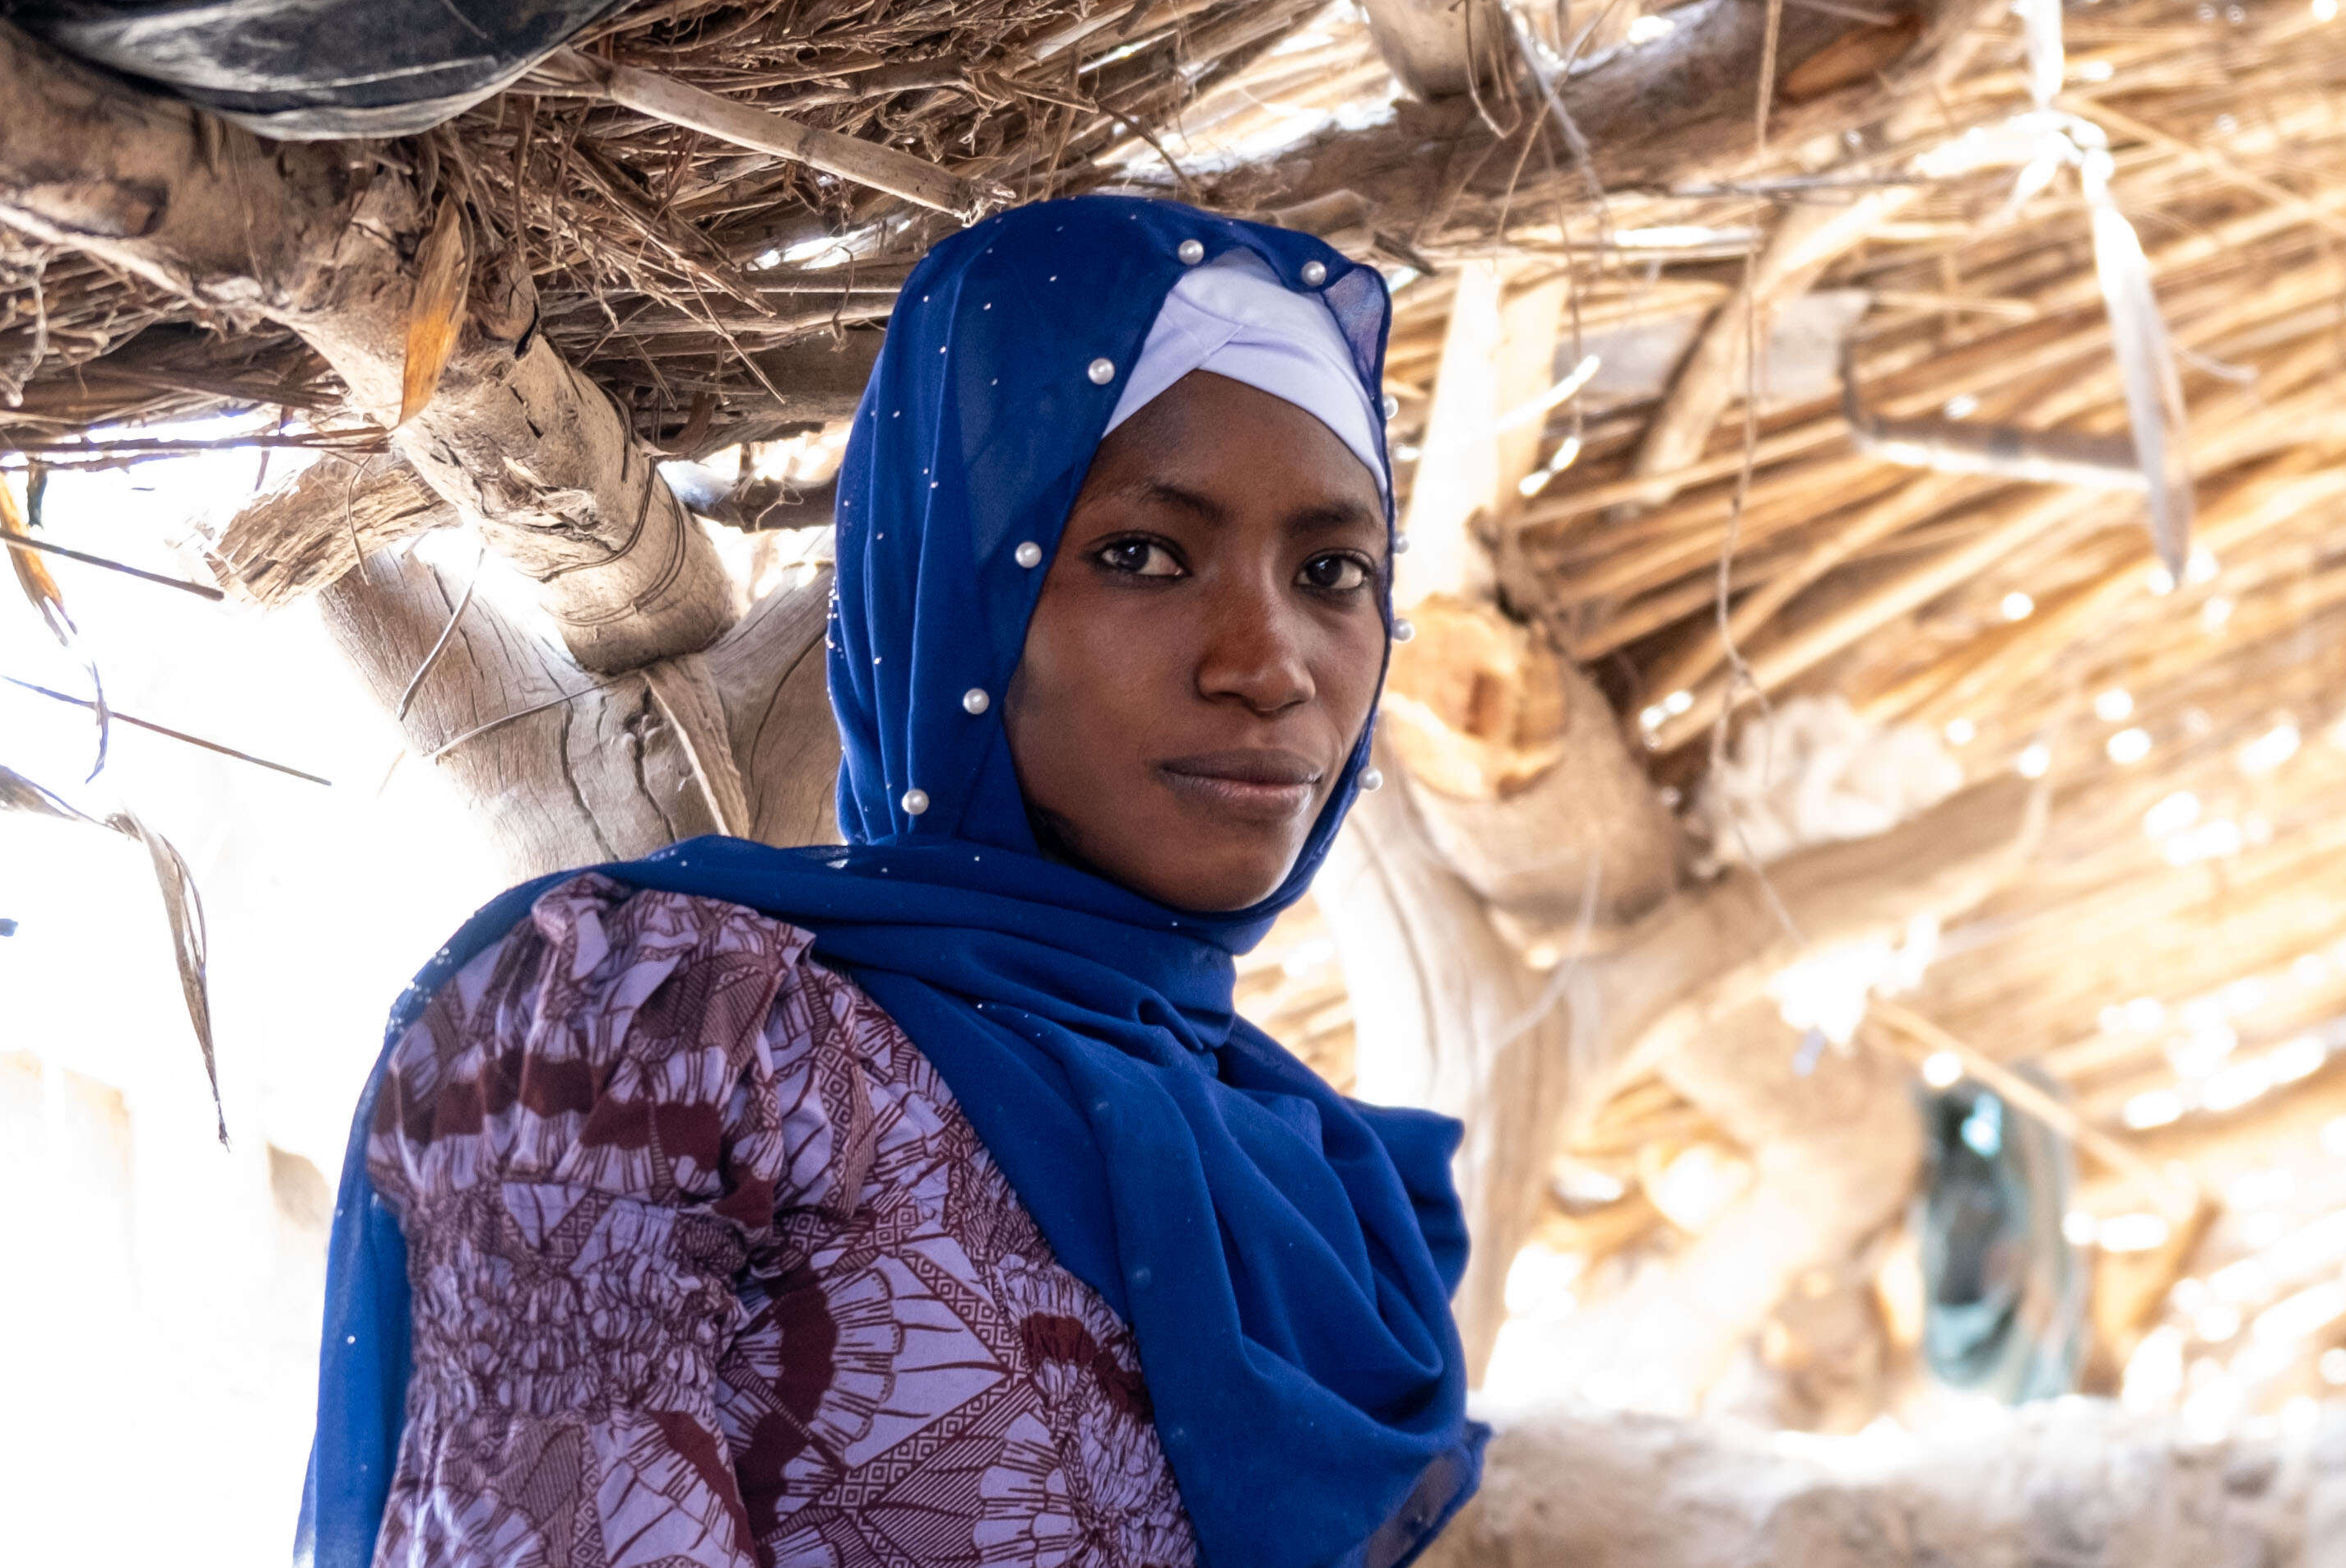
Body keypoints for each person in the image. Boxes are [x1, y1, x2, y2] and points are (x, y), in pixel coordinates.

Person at [298, 197, 1485, 1568]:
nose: (1269, 663)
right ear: (952, 598)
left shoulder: (1314, 1184)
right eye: (1142, 556)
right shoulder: (669, 1036)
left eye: (1334, 571)